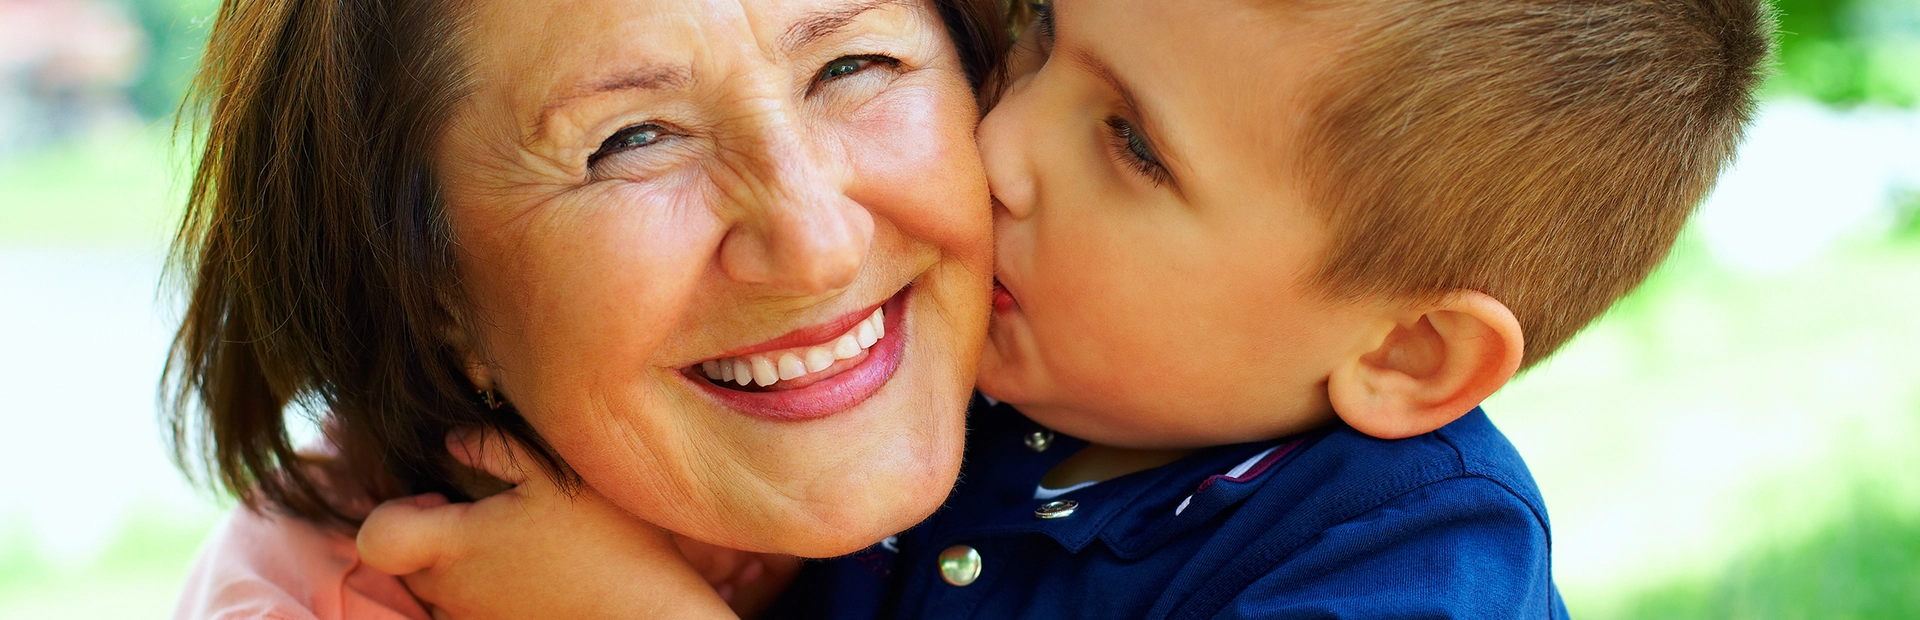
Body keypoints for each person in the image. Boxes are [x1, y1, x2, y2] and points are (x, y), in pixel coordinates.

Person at [358, 0, 1775, 616]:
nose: (1004, 144)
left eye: (1133, 143)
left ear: (1405, 353)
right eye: (1042, 39)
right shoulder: (973, 406)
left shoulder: (1405, 564)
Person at [164, 0, 1011, 618]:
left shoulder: (1099, 403)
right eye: (632, 140)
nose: (820, 246)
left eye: (851, 67)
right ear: (431, 294)